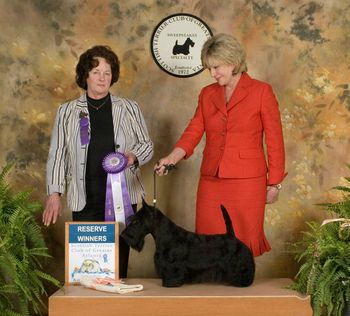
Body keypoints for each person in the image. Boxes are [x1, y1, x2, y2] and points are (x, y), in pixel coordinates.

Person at [155, 33, 286, 257]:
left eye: (216, 67)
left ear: (233, 62)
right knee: (207, 243)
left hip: (248, 183)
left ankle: (240, 290)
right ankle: (211, 291)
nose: (212, 74)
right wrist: (172, 158)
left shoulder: (261, 91)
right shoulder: (207, 94)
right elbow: (193, 131)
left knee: (242, 247)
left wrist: (274, 184)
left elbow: (275, 140)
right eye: (209, 68)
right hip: (211, 180)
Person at [42, 45, 153, 277]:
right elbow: (57, 153)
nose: (102, 78)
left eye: (108, 72)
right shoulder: (67, 111)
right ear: (85, 75)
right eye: (96, 72)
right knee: (88, 268)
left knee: (118, 261)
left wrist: (131, 157)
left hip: (123, 197)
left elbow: (146, 145)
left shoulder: (129, 108)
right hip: (85, 197)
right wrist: (54, 193)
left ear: (113, 76)